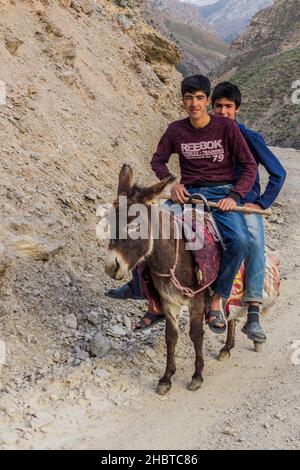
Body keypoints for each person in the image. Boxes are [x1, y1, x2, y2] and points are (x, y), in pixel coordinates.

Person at [107, 74, 257, 334]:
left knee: (241, 241)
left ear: (207, 101)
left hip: (220, 196)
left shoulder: (226, 128)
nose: (194, 104)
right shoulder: (176, 130)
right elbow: (158, 160)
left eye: (200, 98)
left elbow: (249, 166)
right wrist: (172, 184)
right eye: (189, 98)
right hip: (187, 195)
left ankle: (217, 299)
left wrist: (233, 197)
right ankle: (151, 300)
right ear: (183, 101)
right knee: (144, 226)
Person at [211, 81, 286, 342]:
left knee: (253, 240)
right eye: (218, 106)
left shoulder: (249, 137)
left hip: (244, 204)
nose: (223, 112)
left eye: (228, 107)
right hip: (212, 201)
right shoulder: (206, 137)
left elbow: (278, 173)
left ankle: (253, 311)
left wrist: (261, 202)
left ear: (237, 109)